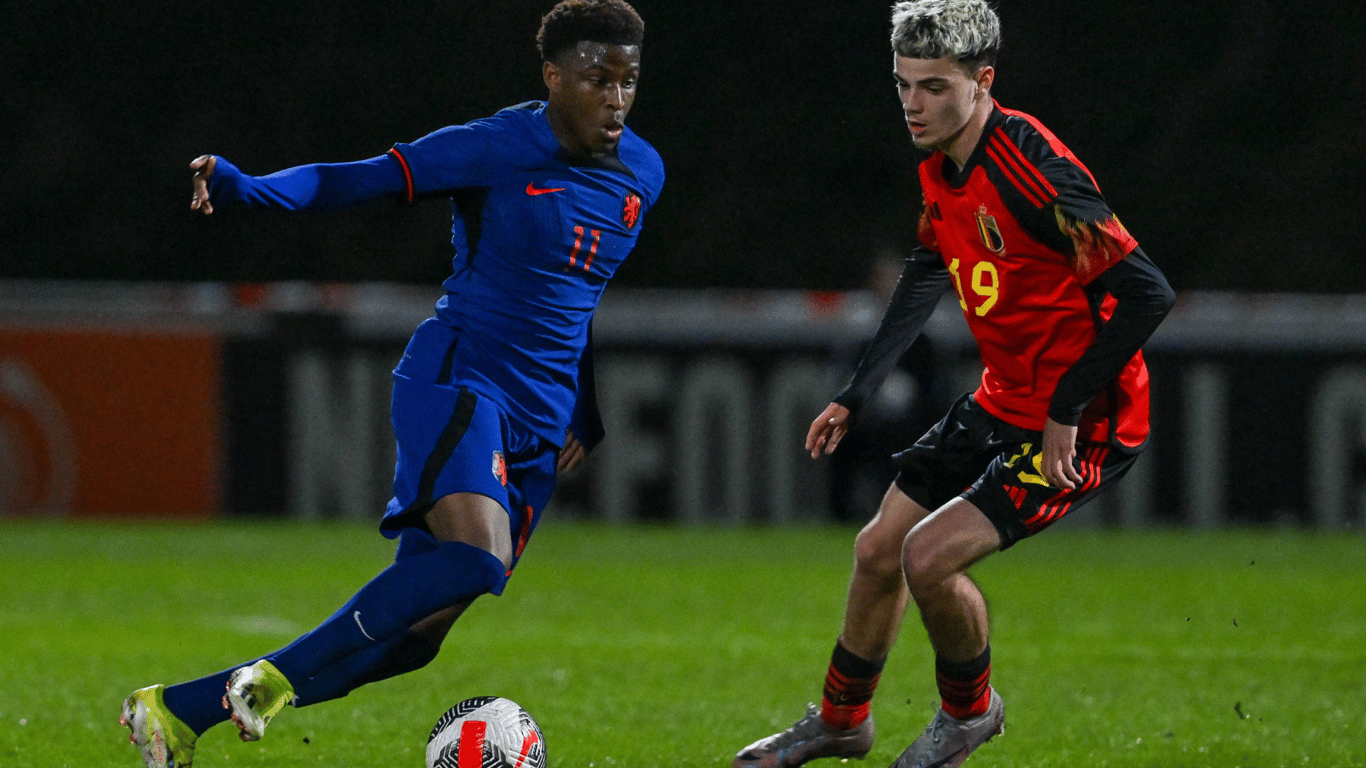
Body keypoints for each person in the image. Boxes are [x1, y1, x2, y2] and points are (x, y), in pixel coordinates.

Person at [118, 3, 662, 767]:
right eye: (597, 79)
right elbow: (356, 181)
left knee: (412, 644)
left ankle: (177, 710)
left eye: (628, 82)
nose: (614, 99)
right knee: (476, 559)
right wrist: (247, 187)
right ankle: (271, 680)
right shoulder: (495, 145)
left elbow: (578, 292)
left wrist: (588, 404)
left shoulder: (645, 170)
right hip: (461, 379)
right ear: (553, 78)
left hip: (539, 422)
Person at [732, 2, 1174, 767]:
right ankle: (843, 721)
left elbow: (1146, 292)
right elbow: (928, 267)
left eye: (934, 86)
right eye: (903, 85)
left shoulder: (1031, 167)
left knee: (927, 558)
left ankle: (969, 714)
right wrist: (857, 389)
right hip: (1006, 398)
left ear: (983, 81)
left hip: (1088, 418)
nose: (913, 103)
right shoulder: (941, 165)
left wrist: (1068, 406)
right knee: (878, 549)